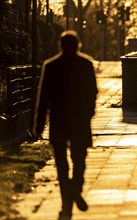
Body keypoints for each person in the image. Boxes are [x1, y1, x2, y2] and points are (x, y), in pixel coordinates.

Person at [33, 30, 98, 220]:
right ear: (78, 45)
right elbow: (92, 92)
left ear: (60, 46)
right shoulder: (86, 64)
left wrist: (38, 124)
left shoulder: (51, 66)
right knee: (80, 160)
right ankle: (76, 187)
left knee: (61, 164)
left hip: (59, 120)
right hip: (79, 120)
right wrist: (89, 112)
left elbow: (43, 97)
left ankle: (66, 201)